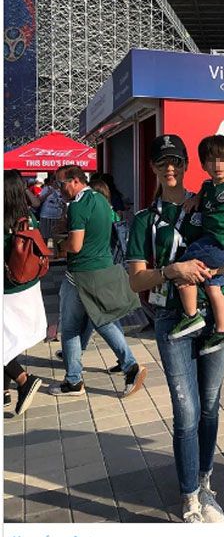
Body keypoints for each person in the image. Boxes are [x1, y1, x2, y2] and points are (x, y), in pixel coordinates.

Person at [126, 133, 224, 523]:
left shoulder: (206, 203)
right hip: (170, 319)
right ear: (153, 168)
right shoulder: (145, 220)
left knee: (210, 405)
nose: (170, 168)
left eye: (176, 161)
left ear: (187, 165)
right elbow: (136, 281)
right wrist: (171, 271)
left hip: (213, 318)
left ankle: (206, 482)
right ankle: (190, 496)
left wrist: (223, 260)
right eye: (162, 163)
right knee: (186, 411)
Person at [50, 164, 146, 398]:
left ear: (74, 181)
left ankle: (74, 381)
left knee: (71, 328)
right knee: (103, 320)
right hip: (103, 270)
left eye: (61, 184)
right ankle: (129, 366)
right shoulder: (100, 199)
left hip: (80, 275)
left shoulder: (78, 206)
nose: (58, 189)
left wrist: (57, 247)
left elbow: (75, 245)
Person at [169, 134, 224, 353]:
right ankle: (221, 331)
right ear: (203, 165)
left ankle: (190, 317)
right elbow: (203, 193)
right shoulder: (207, 185)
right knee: (214, 286)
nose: (218, 165)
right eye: (211, 161)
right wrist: (194, 199)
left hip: (219, 243)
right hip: (214, 245)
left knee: (182, 270)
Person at [4, 170, 46, 414]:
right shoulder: (28, 216)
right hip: (28, 285)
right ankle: (4, 392)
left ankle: (23, 380)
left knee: (4, 342)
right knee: (7, 341)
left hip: (7, 289)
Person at [38, 175, 65, 243]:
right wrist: (47, 193)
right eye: (54, 181)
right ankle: (43, 252)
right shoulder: (47, 188)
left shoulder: (63, 190)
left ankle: (57, 252)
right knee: (44, 236)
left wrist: (63, 215)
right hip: (46, 216)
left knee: (57, 238)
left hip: (57, 216)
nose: (56, 183)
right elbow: (39, 200)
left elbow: (65, 204)